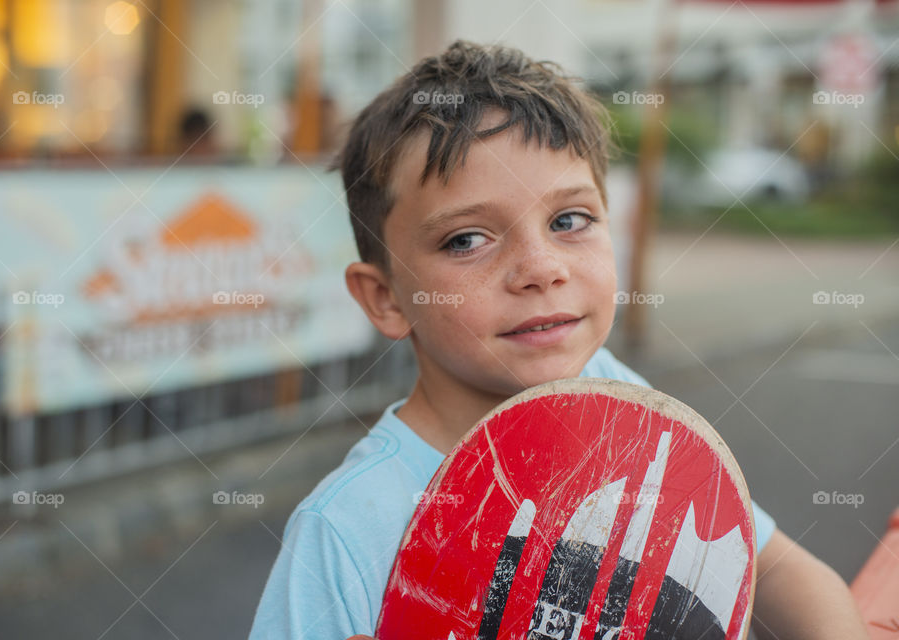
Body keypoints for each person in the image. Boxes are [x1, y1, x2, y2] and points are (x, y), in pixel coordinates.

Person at [248, 40, 869, 640]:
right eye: (466, 240)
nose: (542, 268)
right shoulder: (348, 527)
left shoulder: (621, 400)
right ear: (385, 298)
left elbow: (776, 570)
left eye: (570, 221)